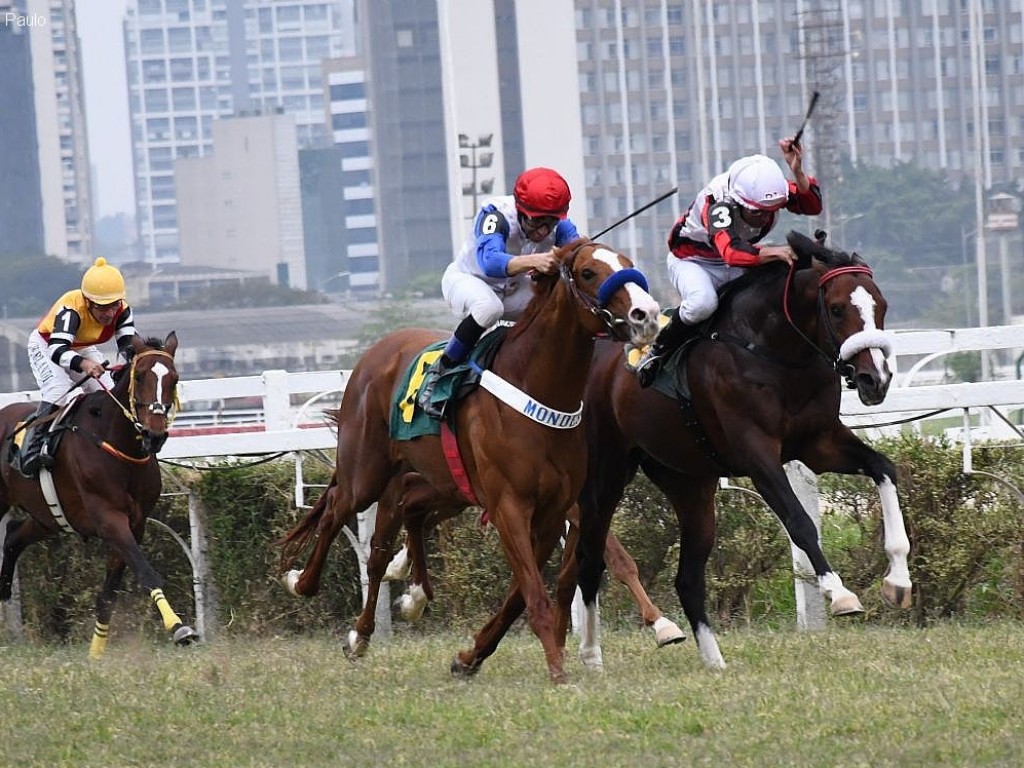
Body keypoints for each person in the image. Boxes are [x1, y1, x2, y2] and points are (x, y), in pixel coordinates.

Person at [633, 137, 823, 387]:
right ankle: (657, 349)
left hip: (735, 259)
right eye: (757, 212)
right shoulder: (717, 201)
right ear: (740, 201)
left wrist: (798, 172)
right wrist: (775, 252)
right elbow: (731, 253)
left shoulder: (767, 191)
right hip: (693, 261)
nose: (763, 218)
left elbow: (813, 206)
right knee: (703, 304)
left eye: (770, 211)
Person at [416, 167, 581, 418]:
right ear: (520, 209)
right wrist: (535, 262)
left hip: (513, 290)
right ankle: (439, 374)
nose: (544, 232)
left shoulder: (561, 225)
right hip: (469, 281)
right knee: (489, 308)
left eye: (550, 223)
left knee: (560, 307)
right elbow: (490, 262)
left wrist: (583, 251)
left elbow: (577, 253)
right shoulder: (496, 215)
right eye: (537, 221)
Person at [16, 257, 138, 477]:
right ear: (88, 301)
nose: (109, 313)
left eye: (113, 305)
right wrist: (84, 364)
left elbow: (129, 346)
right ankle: (31, 450)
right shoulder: (71, 309)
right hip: (47, 344)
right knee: (58, 388)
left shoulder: (123, 311)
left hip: (81, 346)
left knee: (107, 394)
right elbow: (57, 350)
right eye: (102, 307)